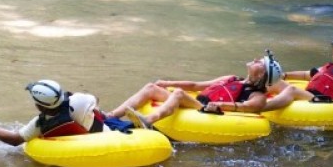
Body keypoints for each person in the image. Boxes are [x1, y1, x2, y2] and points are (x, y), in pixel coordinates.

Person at [108, 51, 284, 129]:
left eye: (260, 62)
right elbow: (196, 86)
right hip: (199, 102)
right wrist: (166, 82)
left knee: (178, 94)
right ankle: (111, 115)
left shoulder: (257, 96)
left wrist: (220, 106)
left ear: (262, 75)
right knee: (150, 88)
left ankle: (149, 120)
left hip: (209, 110)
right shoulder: (231, 78)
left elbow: (245, 108)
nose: (255, 59)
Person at [0, 79, 109, 146]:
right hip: (107, 136)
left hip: (84, 147)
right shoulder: (80, 100)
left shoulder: (39, 124)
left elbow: (14, 140)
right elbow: (95, 100)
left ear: (40, 108)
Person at [264, 34, 333, 111]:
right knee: (275, 82)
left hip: (326, 102)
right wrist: (285, 75)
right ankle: (249, 99)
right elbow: (306, 74)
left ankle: (262, 108)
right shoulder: (330, 68)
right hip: (312, 95)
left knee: (292, 90)